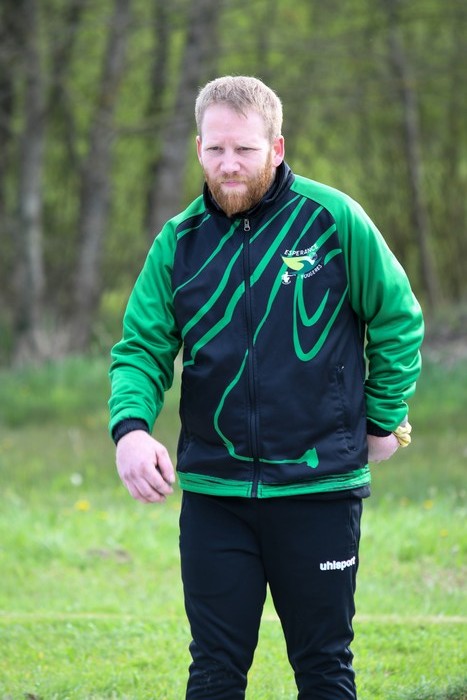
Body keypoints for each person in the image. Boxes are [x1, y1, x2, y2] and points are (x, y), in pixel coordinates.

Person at [109, 75, 424, 699]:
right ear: (199, 149)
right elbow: (141, 349)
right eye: (216, 149)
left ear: (276, 148)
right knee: (214, 670)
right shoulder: (177, 243)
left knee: (325, 667)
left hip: (319, 490)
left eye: (245, 150)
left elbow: (397, 316)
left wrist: (383, 418)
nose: (229, 164)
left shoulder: (332, 220)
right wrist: (131, 430)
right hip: (216, 496)